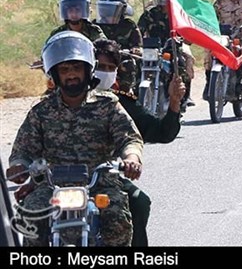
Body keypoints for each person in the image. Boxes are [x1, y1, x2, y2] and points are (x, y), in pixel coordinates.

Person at [6, 32, 143, 247]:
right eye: (64, 70)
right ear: (55, 74)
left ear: (87, 70)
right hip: (52, 186)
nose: (71, 74)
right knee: (30, 215)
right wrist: (18, 166)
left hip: (99, 183)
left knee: (117, 217)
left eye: (77, 68)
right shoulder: (41, 111)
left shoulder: (107, 105)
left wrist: (131, 159)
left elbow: (129, 138)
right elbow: (23, 150)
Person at [93, 39, 184, 247]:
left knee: (139, 202)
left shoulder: (119, 103)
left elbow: (161, 133)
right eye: (99, 66)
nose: (104, 72)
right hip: (58, 178)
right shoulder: (57, 101)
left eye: (110, 68)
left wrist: (174, 102)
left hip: (101, 177)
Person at [138, 0, 194, 106]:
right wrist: (136, 45)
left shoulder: (179, 13)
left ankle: (184, 96)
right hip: (152, 48)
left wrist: (183, 39)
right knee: (137, 63)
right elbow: (138, 32)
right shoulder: (149, 13)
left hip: (173, 47)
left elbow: (188, 33)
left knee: (182, 62)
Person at [95, 0, 143, 93]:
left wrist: (135, 49)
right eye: (105, 9)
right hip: (100, 57)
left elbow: (137, 45)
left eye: (112, 9)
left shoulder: (129, 25)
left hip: (121, 58)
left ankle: (125, 92)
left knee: (128, 64)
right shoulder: (95, 25)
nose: (108, 13)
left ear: (122, 11)